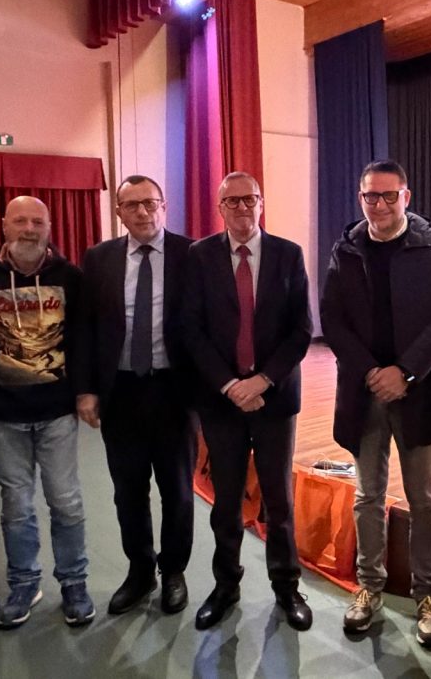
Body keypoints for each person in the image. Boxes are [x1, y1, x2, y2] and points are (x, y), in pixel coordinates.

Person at [320, 159, 431, 646]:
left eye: (388, 195)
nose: (378, 205)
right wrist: (371, 372)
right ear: (360, 198)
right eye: (370, 196)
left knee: (424, 500)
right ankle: (369, 587)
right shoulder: (346, 247)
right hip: (364, 392)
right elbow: (332, 318)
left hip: (417, 391)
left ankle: (427, 595)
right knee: (367, 496)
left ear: (406, 196)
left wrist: (406, 371)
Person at [181, 171, 313, 631]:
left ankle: (287, 587)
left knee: (279, 500)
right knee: (226, 501)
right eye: (232, 201)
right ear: (220, 208)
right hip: (221, 402)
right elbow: (191, 329)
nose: (242, 208)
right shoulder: (200, 257)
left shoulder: (288, 254)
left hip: (274, 399)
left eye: (249, 199)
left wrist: (262, 381)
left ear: (261, 202)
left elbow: (301, 330)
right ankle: (225, 586)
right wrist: (229, 385)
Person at [0, 196, 93, 629]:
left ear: (50, 227)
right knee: (16, 505)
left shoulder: (70, 277)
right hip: (2, 415)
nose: (29, 229)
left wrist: (85, 392)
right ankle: (24, 583)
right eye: (20, 221)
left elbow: (82, 338)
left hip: (56, 410)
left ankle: (74, 582)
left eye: (38, 221)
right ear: (4, 225)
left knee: (66, 501)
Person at [77, 175, 198, 616]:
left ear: (164, 206)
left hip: (174, 391)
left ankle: (174, 571)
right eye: (132, 205)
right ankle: (141, 570)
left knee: (178, 491)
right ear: (119, 213)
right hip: (121, 391)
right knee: (128, 491)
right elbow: (86, 327)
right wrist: (87, 389)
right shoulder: (99, 258)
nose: (143, 212)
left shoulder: (192, 254)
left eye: (150, 203)